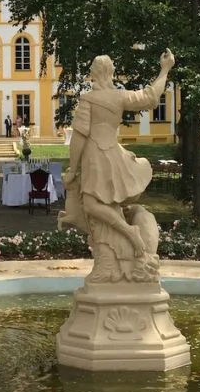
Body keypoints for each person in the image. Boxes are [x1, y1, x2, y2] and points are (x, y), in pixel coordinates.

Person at [58, 49, 175, 279]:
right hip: (113, 154)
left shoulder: (88, 99)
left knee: (92, 205)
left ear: (94, 74)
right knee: (105, 204)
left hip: (95, 156)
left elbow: (79, 137)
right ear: (110, 73)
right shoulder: (119, 96)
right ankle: (117, 254)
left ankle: (129, 232)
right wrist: (165, 69)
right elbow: (151, 97)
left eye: (91, 72)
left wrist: (73, 168)